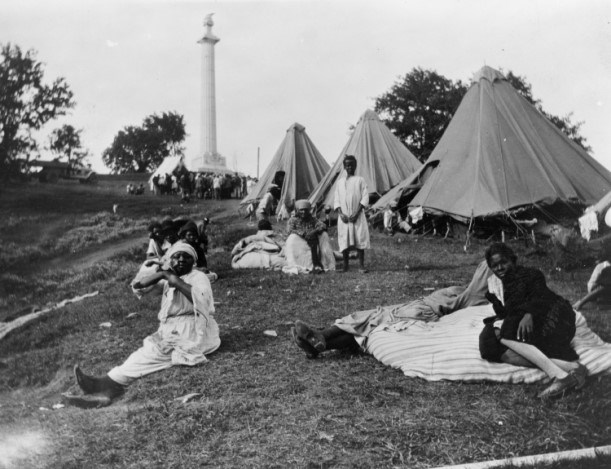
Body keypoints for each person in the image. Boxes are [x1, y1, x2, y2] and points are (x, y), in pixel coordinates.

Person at [62, 242, 220, 408]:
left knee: (148, 355)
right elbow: (139, 286)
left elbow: (201, 300)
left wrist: (173, 279)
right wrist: (162, 273)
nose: (181, 260)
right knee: (144, 353)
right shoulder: (169, 277)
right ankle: (104, 389)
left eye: (186, 257)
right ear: (170, 260)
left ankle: (101, 386)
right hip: (174, 330)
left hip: (194, 330)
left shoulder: (198, 277)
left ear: (193, 261)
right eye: (176, 256)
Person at [291, 259, 495, 358]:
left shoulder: (473, 298)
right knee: (370, 319)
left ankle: (322, 337)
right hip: (419, 306)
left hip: (423, 312)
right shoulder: (470, 293)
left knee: (373, 321)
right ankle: (321, 342)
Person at [479, 243, 587, 399]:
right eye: (494, 266)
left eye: (503, 262)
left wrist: (529, 313)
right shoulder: (499, 285)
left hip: (555, 317)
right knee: (489, 340)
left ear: (513, 260)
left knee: (506, 329)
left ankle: (560, 376)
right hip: (529, 321)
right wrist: (495, 299)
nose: (500, 268)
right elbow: (507, 313)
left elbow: (542, 296)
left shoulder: (531, 274)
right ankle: (570, 367)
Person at [334, 155, 369, 273]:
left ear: (355, 166)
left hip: (357, 216)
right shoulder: (340, 182)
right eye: (347, 165)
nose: (349, 167)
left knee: (359, 238)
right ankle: (345, 265)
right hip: (343, 217)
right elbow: (337, 199)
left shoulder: (360, 180)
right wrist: (340, 213)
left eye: (352, 165)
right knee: (344, 240)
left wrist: (357, 212)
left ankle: (361, 265)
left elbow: (365, 197)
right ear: (344, 167)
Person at [284, 199, 335, 274]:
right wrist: (303, 234)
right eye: (301, 210)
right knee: (292, 237)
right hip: (298, 243)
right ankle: (296, 264)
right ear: (297, 210)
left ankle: (321, 264)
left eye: (306, 210)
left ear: (309, 211)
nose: (303, 212)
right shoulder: (293, 220)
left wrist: (314, 231)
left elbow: (323, 225)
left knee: (324, 234)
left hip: (312, 241)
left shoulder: (312, 219)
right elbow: (290, 231)